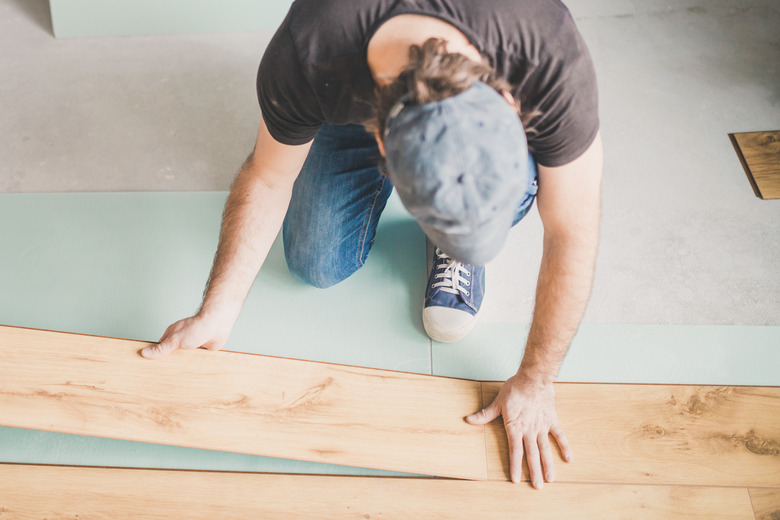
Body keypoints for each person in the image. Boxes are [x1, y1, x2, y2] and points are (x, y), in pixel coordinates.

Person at [142, 0, 603, 490]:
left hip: (471, 86)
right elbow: (268, 178)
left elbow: (572, 230)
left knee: (555, 187)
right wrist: (218, 309)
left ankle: (454, 236)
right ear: (380, 141)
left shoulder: (546, 54)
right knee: (315, 264)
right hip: (347, 93)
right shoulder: (311, 51)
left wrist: (535, 380)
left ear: (511, 105)